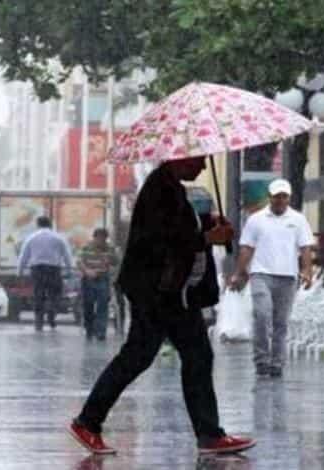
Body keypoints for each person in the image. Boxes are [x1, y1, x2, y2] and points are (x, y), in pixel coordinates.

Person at [68, 157, 256, 456]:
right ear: (181, 158)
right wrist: (207, 237)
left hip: (175, 292)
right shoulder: (159, 189)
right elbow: (161, 240)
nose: (204, 168)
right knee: (142, 356)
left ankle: (208, 434)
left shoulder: (172, 188)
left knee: (194, 356)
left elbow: (179, 227)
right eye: (199, 160)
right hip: (156, 292)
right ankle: (88, 421)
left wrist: (209, 223)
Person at [229, 179, 314, 378]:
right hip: (261, 274)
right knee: (262, 315)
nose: (280, 200)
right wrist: (239, 272)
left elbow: (305, 248)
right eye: (277, 196)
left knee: (281, 322)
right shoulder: (256, 220)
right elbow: (246, 248)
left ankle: (277, 362)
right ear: (270, 197)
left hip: (288, 276)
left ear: (289, 198)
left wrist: (307, 271)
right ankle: (261, 360)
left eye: (284, 197)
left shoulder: (298, 219)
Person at [17, 216, 73, 331]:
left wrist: (20, 271)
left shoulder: (31, 238)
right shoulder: (58, 238)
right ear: (50, 224)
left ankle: (39, 322)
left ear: (38, 225)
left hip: (37, 269)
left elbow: (24, 256)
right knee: (56, 294)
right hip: (54, 269)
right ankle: (51, 313)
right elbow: (67, 255)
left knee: (39, 295)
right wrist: (69, 270)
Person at [78, 228, 119, 341]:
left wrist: (110, 260)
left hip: (103, 278)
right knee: (88, 304)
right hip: (88, 278)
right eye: (99, 238)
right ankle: (89, 329)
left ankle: (101, 331)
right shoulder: (86, 247)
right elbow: (79, 261)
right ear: (94, 237)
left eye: (104, 239)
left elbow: (116, 262)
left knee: (103, 304)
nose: (101, 241)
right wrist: (87, 271)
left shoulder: (110, 248)